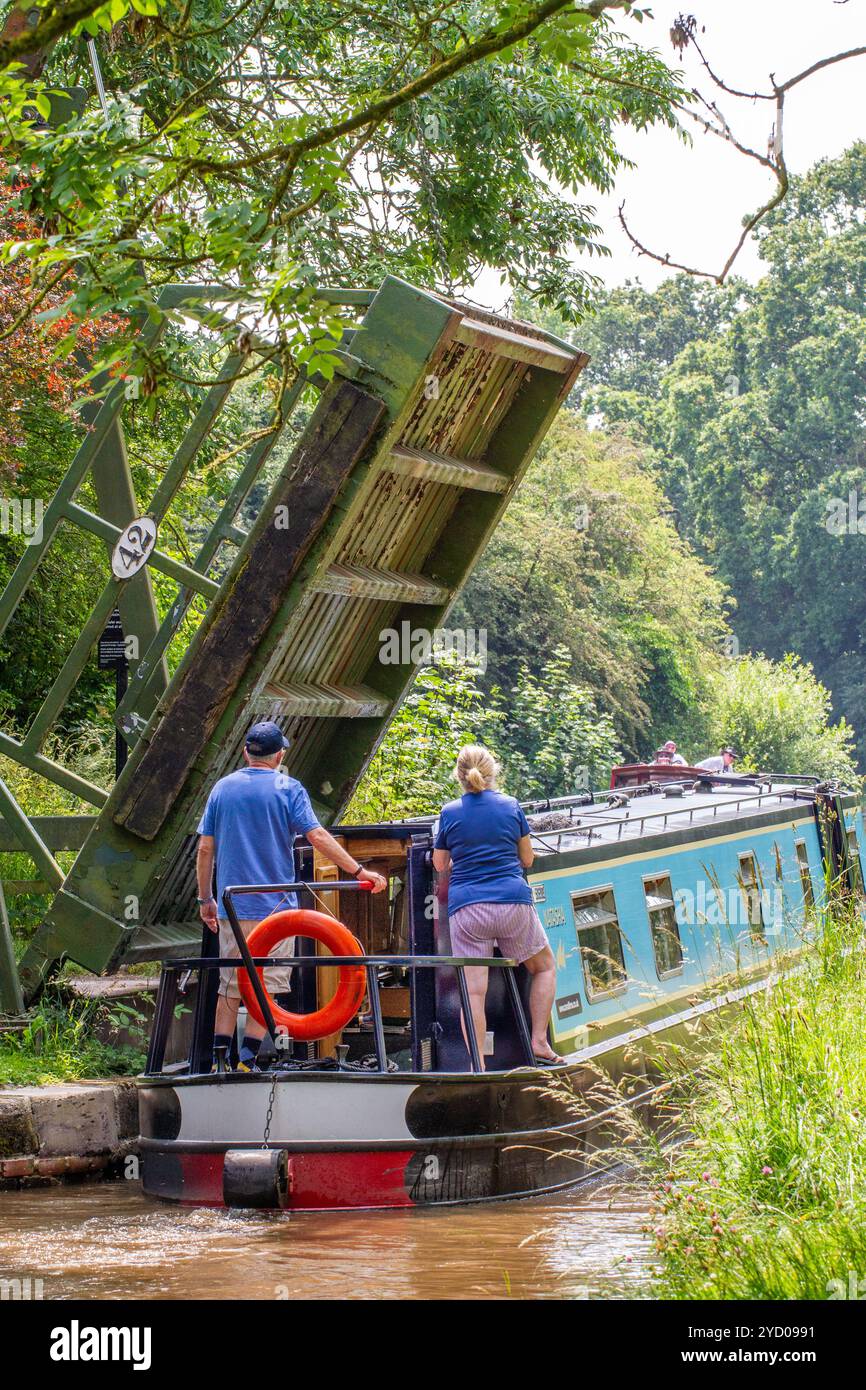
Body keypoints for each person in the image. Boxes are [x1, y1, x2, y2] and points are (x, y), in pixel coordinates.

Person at [196, 720, 386, 1069]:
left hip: (232, 906)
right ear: (280, 754)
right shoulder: (288, 787)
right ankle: (248, 1060)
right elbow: (318, 837)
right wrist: (358, 872)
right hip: (276, 908)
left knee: (230, 985)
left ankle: (217, 1060)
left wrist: (205, 899)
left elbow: (206, 849)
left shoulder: (221, 789)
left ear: (245, 752)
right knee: (263, 987)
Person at [432, 744, 558, 1067]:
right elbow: (527, 858)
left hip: (468, 910)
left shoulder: (449, 813)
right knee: (543, 967)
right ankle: (540, 1042)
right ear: (492, 773)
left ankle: (478, 1063)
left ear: (459, 776)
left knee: (474, 992)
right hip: (512, 905)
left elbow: (440, 864)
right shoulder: (511, 806)